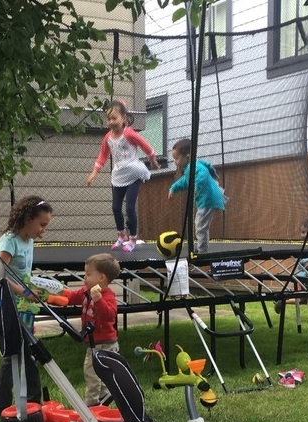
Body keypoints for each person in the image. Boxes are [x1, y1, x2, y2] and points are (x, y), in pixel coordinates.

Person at [0, 196, 53, 418]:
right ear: (27, 218)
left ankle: (34, 403)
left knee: (28, 352)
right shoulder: (9, 241)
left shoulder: (29, 240)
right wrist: (25, 291)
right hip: (4, 306)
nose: (43, 230)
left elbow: (22, 274)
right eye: (42, 224)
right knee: (12, 355)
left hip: (22, 307)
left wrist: (36, 287)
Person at [87, 99, 160, 252]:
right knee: (115, 207)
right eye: (109, 119)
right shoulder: (108, 138)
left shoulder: (129, 134)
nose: (111, 122)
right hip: (119, 175)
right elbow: (103, 156)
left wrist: (153, 161)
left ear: (124, 118)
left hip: (133, 173)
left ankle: (133, 238)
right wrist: (94, 173)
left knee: (130, 207)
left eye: (114, 118)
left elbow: (146, 146)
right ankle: (122, 235)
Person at [64, 253, 121, 406]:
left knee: (92, 373)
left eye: (88, 274)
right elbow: (70, 298)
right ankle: (104, 399)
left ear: (101, 278)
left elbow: (109, 316)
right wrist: (53, 295)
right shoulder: (85, 291)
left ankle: (91, 405)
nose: (85, 277)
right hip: (93, 342)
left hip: (105, 343)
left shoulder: (107, 296)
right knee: (99, 373)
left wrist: (99, 300)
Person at [168, 138, 225, 254]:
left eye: (177, 158)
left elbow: (203, 174)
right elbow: (185, 181)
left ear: (187, 157)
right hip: (207, 199)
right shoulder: (190, 168)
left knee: (200, 225)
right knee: (200, 224)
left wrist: (196, 187)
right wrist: (173, 188)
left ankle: (202, 250)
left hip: (208, 199)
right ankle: (200, 247)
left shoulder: (195, 166)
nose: (175, 162)